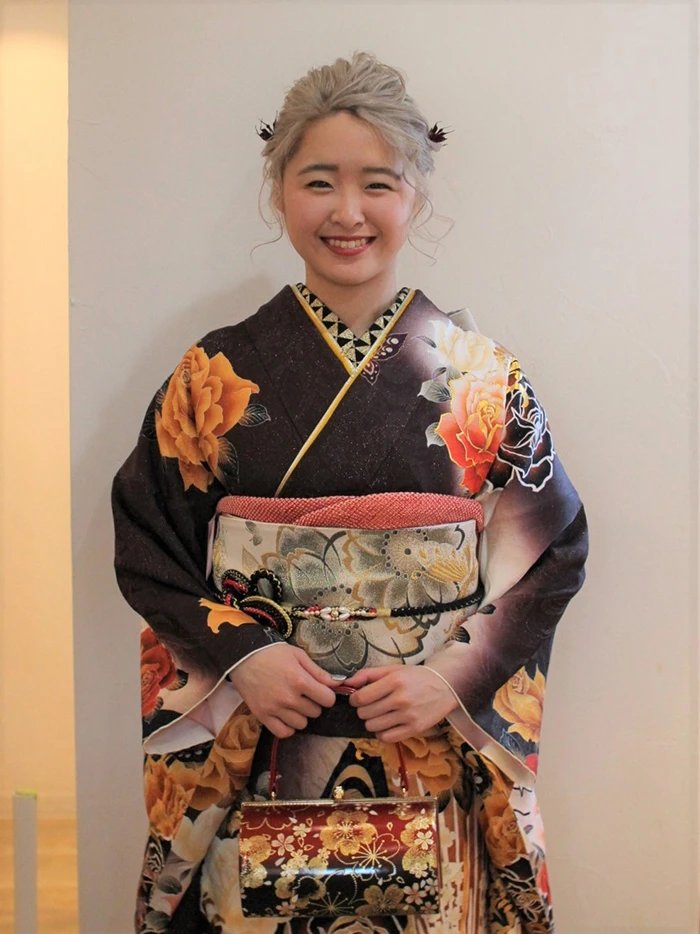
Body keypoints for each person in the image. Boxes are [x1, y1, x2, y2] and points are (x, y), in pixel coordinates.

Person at [112, 51, 588, 934]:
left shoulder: (483, 379)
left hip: (426, 741)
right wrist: (244, 659)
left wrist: (452, 677)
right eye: (318, 181)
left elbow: (551, 554)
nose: (347, 212)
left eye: (377, 183)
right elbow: (149, 543)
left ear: (415, 195)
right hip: (262, 739)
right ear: (278, 191)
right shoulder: (213, 376)